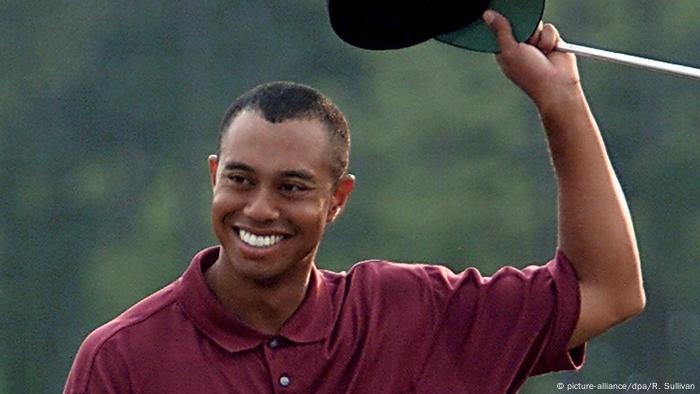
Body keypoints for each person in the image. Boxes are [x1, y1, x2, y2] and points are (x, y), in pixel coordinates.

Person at [64, 10, 645, 393]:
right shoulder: (123, 361)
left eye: (291, 187)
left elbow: (608, 290)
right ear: (214, 176)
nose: (259, 209)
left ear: (338, 199)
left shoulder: (412, 315)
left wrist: (561, 101)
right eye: (241, 180)